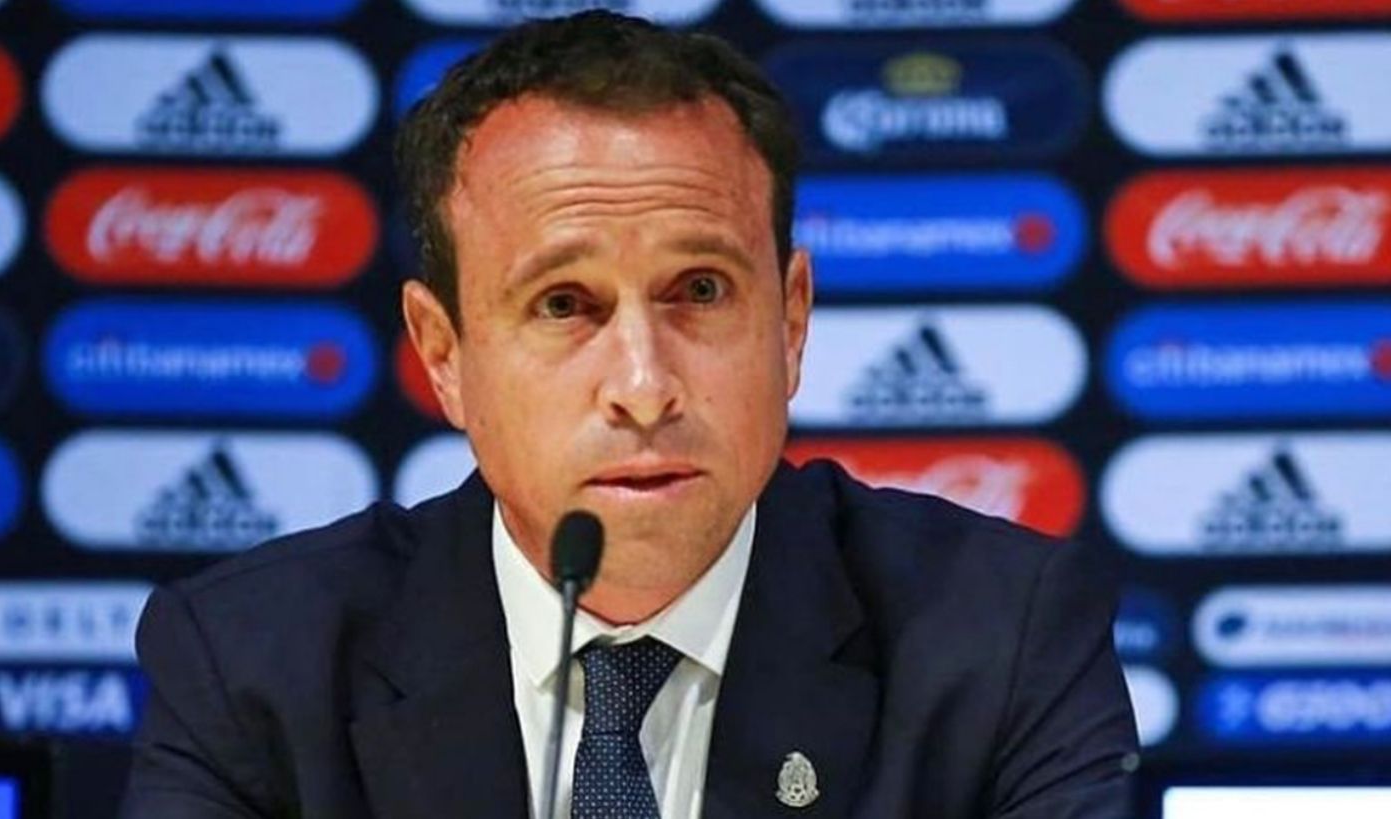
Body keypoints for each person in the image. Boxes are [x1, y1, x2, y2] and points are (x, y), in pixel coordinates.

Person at [119, 11, 1138, 819]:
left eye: (700, 291)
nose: (645, 385)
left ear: (790, 323)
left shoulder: (1001, 641)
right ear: (443, 354)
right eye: (565, 305)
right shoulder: (252, 668)